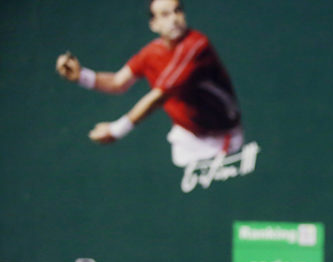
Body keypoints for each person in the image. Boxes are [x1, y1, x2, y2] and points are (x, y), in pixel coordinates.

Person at [54, 0, 242, 167]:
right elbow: (118, 83)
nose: (174, 19)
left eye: (178, 11)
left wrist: (117, 130)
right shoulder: (151, 53)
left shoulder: (196, 46)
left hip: (221, 135)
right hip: (186, 134)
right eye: (165, 14)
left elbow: (159, 97)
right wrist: (81, 76)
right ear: (154, 24)